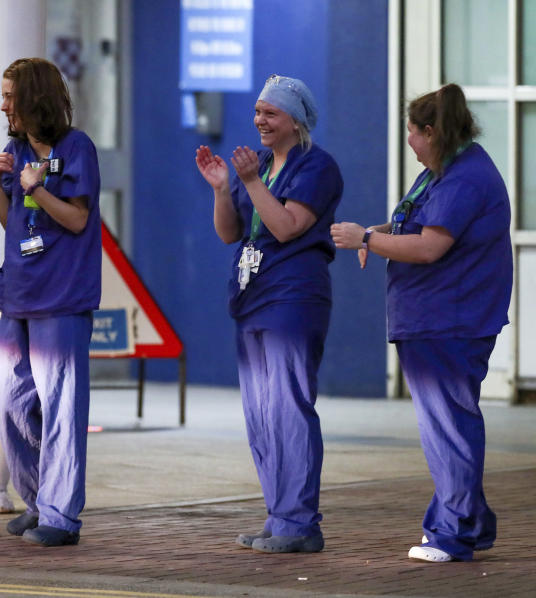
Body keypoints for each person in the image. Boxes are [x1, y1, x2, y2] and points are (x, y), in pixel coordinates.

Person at [331, 83, 511, 563]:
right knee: (449, 423)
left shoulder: (463, 179)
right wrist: (381, 234)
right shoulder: (441, 170)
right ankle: (470, 522)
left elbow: (431, 246)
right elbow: (415, 224)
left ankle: (451, 534)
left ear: (430, 132)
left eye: (412, 132)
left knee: (449, 426)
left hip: (449, 321)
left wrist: (364, 236)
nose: (408, 140)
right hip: (432, 319)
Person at [194, 75, 343, 554]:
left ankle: (301, 522)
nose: (259, 120)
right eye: (257, 111)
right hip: (252, 296)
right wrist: (222, 188)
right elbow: (229, 233)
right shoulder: (255, 164)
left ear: (295, 121)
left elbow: (284, 227)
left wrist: (253, 182)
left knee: (288, 409)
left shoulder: (317, 167)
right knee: (260, 414)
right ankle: (280, 514)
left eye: (270, 113)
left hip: (293, 297)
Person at [0, 57, 101, 547]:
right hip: (19, 294)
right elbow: (14, 218)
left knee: (61, 407)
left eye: (11, 96)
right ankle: (37, 501)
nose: (4, 105)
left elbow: (76, 219)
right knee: (9, 396)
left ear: (35, 98)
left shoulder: (77, 149)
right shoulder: (15, 150)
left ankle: (61, 515)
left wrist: (38, 187)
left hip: (61, 296)